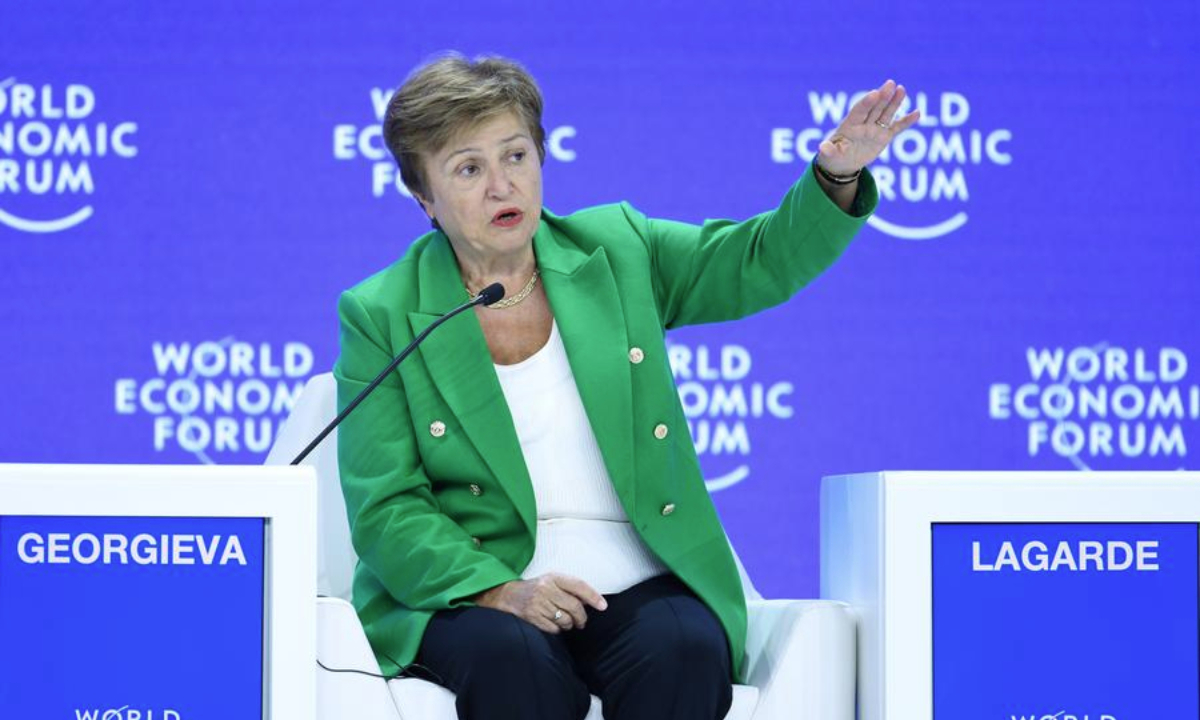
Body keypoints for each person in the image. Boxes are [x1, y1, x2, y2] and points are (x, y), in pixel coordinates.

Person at [334, 53, 918, 720]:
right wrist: (501, 591)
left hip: (635, 578)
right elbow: (386, 507)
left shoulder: (616, 251)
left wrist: (836, 173)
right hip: (482, 589)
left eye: (516, 156)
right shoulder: (380, 312)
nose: (503, 186)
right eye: (469, 168)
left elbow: (755, 264)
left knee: (684, 650)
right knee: (515, 666)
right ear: (424, 198)